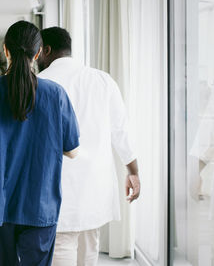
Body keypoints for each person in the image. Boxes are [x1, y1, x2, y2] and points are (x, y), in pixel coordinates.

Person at [0, 21, 80, 266]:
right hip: (41, 203)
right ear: (38, 53)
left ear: (6, 50)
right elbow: (72, 150)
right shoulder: (56, 95)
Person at [36, 27, 140, 266]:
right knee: (89, 246)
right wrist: (133, 172)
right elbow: (121, 131)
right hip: (95, 183)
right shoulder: (103, 80)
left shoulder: (40, 83)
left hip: (54, 182)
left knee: (61, 244)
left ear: (46, 50)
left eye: (39, 52)